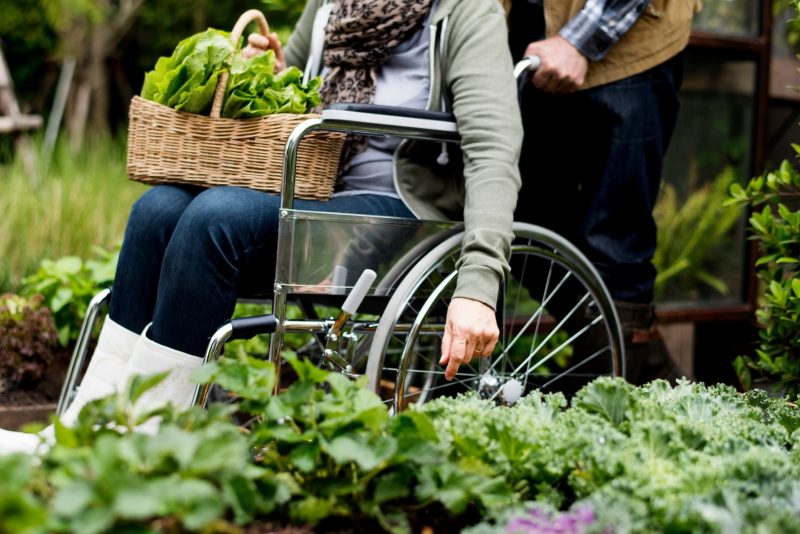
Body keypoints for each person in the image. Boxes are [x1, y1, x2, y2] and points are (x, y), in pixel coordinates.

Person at [0, 0, 522, 454]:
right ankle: (91, 421)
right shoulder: (331, 4)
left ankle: (152, 439)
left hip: (394, 207)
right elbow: (291, 84)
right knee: (156, 208)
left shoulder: (462, 10)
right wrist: (269, 70)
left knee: (216, 218)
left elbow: (493, 149)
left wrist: (478, 284)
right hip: (307, 188)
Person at [507, 0, 697, 383]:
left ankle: (603, 420)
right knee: (513, 217)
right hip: (526, 40)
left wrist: (578, 42)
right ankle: (650, 368)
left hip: (629, 43)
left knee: (614, 243)